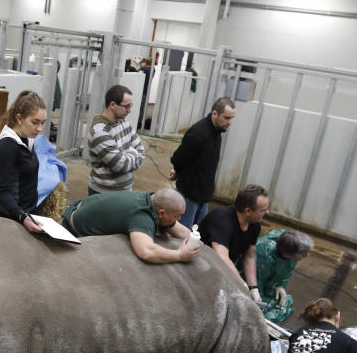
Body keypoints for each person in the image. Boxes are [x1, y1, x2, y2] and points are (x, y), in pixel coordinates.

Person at [61, 187, 198, 264]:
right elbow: (146, 251)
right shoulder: (141, 216)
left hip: (85, 205)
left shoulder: (153, 199)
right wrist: (180, 254)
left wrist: (195, 239)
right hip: (74, 229)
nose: (179, 219)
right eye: (177, 216)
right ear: (162, 213)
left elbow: (178, 229)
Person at [0, 91, 49, 234]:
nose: (39, 129)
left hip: (26, 214)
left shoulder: (28, 138)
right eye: (35, 122)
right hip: (11, 218)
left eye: (43, 123)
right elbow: (3, 193)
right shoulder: (6, 147)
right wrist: (22, 217)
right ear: (19, 118)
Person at [169, 97, 236, 228]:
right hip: (189, 195)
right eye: (227, 118)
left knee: (198, 233)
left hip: (204, 195)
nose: (230, 122)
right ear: (215, 114)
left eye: (232, 118)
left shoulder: (217, 131)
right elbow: (178, 158)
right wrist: (177, 171)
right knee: (183, 234)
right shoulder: (198, 134)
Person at [198, 184, 269, 303]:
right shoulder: (221, 219)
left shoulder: (254, 225)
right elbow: (221, 257)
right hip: (201, 266)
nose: (268, 212)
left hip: (222, 269)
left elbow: (249, 256)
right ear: (248, 211)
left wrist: (253, 288)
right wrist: (242, 285)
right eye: (263, 210)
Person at [86, 84, 145, 194]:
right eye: (127, 106)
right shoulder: (100, 132)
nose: (129, 110)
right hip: (104, 193)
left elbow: (141, 152)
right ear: (112, 104)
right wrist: (133, 152)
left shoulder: (124, 124)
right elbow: (121, 166)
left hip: (126, 190)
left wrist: (128, 157)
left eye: (131, 106)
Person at [252, 229, 314, 323]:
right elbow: (258, 280)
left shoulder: (291, 241)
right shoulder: (264, 254)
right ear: (287, 254)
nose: (308, 255)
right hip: (251, 276)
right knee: (262, 308)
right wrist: (257, 298)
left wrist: (280, 285)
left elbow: (288, 269)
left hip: (269, 276)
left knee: (280, 302)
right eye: (304, 254)